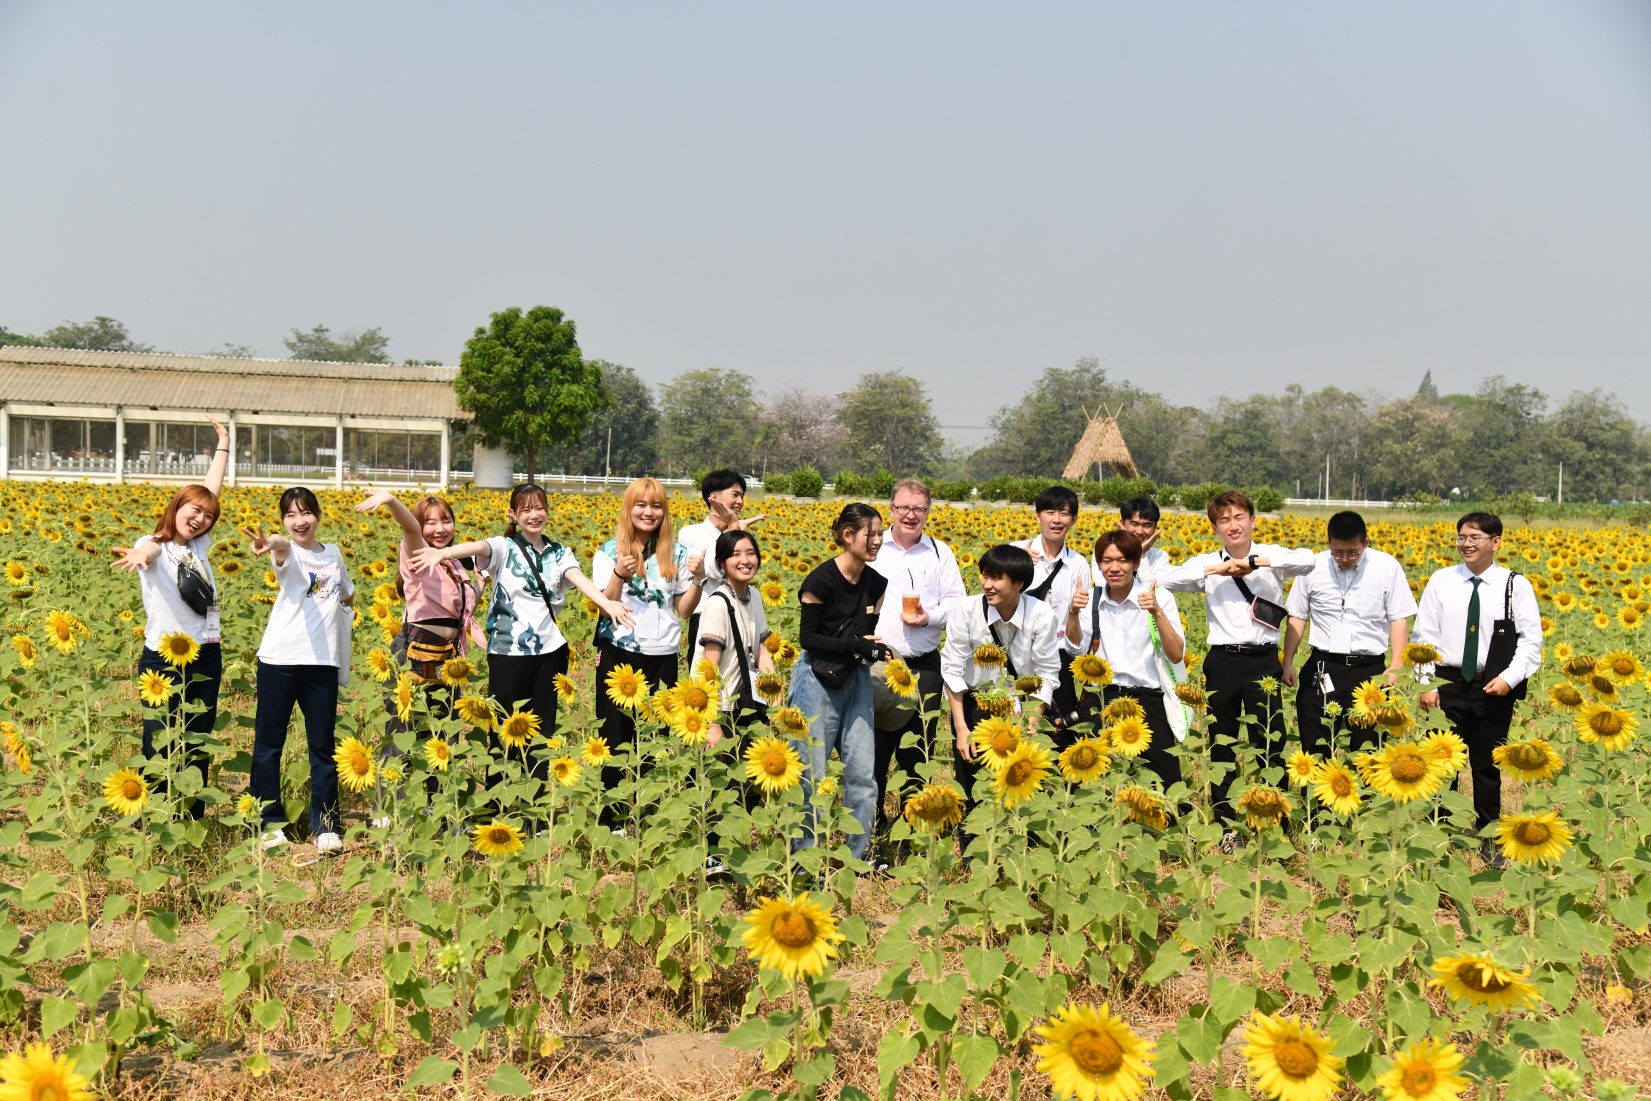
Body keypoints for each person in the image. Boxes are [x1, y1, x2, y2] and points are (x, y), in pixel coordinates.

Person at [411, 484, 630, 784]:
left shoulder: (558, 553)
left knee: (541, 732)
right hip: (507, 653)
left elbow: (579, 580)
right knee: (504, 730)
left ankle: (535, 815)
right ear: (513, 514)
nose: (534, 515)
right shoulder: (505, 547)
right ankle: (499, 803)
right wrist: (443, 553)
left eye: (539, 508)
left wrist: (606, 603)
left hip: (550, 653)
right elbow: (478, 547)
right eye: (526, 509)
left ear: (548, 511)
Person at [1159, 490, 1313, 840]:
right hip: (1223, 661)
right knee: (1222, 743)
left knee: (1270, 741)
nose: (1233, 525)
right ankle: (1229, 828)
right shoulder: (1206, 564)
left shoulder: (1271, 556)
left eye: (1239, 517)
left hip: (1263, 660)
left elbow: (1309, 561)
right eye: (1224, 520)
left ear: (1253, 520)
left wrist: (1256, 564)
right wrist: (1222, 569)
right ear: (1214, 528)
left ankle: (1276, 822)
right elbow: (1167, 580)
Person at [112, 414, 231, 819]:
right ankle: (157, 818)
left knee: (197, 737)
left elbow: (211, 492)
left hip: (206, 652)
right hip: (162, 656)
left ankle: (191, 815)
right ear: (176, 506)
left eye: (207, 516)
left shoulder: (198, 546)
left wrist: (224, 445)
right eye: (192, 510)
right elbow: (152, 552)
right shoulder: (153, 543)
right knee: (158, 739)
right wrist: (139, 556)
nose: (199, 518)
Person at [1413, 511, 1541, 855]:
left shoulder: (1515, 586)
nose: (1466, 544)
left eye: (1475, 538)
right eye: (1461, 538)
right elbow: (1423, 636)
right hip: (1447, 683)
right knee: (1441, 764)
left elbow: (1531, 642)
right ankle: (1441, 835)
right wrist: (1425, 684)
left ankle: (1490, 838)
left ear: (1496, 542)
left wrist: (1509, 679)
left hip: (1493, 687)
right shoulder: (1441, 581)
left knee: (1488, 765)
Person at [242, 488, 356, 853]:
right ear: (283, 522)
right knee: (269, 745)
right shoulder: (288, 553)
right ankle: (269, 821)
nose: (299, 521)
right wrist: (270, 541)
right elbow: (280, 546)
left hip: (323, 662)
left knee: (322, 746)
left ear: (318, 515)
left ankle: (325, 825)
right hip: (280, 659)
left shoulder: (334, 553)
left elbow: (347, 593)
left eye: (305, 512)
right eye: (290, 515)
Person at [591, 477, 704, 825]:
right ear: (629, 508)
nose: (649, 512)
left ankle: (646, 814)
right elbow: (603, 605)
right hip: (619, 652)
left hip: (663, 655)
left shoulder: (678, 555)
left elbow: (683, 611)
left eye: (656, 506)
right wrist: (618, 574)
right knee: (615, 735)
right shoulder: (609, 552)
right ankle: (613, 818)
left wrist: (699, 580)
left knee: (655, 736)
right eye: (641, 504)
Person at [867, 478, 966, 857]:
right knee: (872, 751)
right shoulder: (873, 548)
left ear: (928, 513)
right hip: (877, 665)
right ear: (891, 508)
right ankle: (871, 835)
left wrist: (928, 617)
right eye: (903, 507)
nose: (911, 514)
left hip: (923, 666)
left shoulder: (939, 553)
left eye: (919, 509)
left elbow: (958, 603)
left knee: (917, 754)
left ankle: (912, 837)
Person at [788, 503, 890, 864]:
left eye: (880, 533)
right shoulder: (820, 580)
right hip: (816, 679)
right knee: (809, 773)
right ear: (848, 536)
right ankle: (805, 859)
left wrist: (872, 648)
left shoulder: (877, 583)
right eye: (870, 534)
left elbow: (866, 636)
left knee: (862, 771)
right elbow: (809, 638)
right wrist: (853, 644)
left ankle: (857, 856)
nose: (877, 540)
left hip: (856, 677)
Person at [942, 544, 1061, 842]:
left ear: (1018, 583)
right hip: (977, 706)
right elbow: (953, 670)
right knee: (975, 783)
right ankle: (976, 857)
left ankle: (1025, 852)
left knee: (1026, 782)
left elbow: (1047, 673)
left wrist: (1033, 725)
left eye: (996, 577)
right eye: (984, 575)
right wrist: (960, 728)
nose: (986, 584)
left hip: (1026, 707)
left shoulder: (1041, 615)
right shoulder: (966, 610)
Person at [1281, 511, 1417, 758]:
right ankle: (1315, 797)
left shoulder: (1387, 567)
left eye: (1353, 552)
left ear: (1365, 543)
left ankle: (1365, 797)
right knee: (1316, 749)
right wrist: (1288, 661)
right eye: (1337, 552)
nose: (1344, 559)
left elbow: (1398, 618)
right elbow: (1298, 616)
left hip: (1369, 671)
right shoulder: (1312, 568)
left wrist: (1396, 665)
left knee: (1368, 752)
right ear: (1329, 543)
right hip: (1323, 667)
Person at [1066, 530, 1186, 796]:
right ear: (1098, 565)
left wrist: (1156, 612)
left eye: (1122, 560)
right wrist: (1072, 613)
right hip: (1101, 699)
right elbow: (1075, 648)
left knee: (1164, 784)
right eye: (1106, 561)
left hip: (1148, 701)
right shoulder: (1091, 600)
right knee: (1090, 783)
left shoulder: (1159, 597)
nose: (1114, 568)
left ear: (1136, 563)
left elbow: (1176, 654)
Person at [356, 490, 483, 716]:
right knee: (406, 726)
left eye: (446, 521)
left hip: (447, 655)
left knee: (444, 730)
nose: (440, 529)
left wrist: (479, 585)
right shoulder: (418, 554)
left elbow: (462, 613)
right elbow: (410, 528)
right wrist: (392, 501)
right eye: (431, 523)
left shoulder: (453, 562)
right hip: (417, 650)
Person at [1018, 485, 1091, 746]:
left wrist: (1074, 611)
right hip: (1017, 657)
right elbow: (987, 596)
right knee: (1016, 731)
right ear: (1037, 516)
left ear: (1074, 519)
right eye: (1050, 512)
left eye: (1064, 513)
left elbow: (1080, 639)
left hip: (1059, 662)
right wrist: (1017, 567)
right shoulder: (1017, 552)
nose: (1057, 519)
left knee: (1059, 738)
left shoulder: (1079, 564)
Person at [693, 529, 775, 746]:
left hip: (747, 701)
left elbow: (762, 650)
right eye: (736, 555)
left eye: (751, 553)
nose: (745, 561)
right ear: (721, 563)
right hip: (721, 706)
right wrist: (713, 723)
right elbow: (708, 669)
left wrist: (774, 695)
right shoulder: (718, 603)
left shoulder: (754, 596)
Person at [678, 470, 764, 656]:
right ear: (714, 497)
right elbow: (716, 569)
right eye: (735, 495)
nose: (740, 502)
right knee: (706, 680)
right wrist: (733, 530)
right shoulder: (690, 533)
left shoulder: (742, 533)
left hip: (742, 614)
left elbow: (747, 572)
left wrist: (737, 532)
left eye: (742, 496)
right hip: (706, 618)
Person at [1118, 496, 1173, 585]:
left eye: (1147, 525)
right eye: (1134, 524)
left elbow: (1150, 589)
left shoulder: (1160, 557)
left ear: (1155, 527)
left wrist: (1141, 554)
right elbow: (1103, 584)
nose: (1140, 531)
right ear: (1122, 523)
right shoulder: (1105, 552)